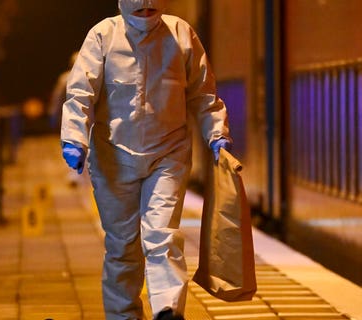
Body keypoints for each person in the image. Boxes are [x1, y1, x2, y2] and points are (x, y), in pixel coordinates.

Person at [60, 1, 232, 319]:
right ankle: (123, 314)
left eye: (151, 7)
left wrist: (216, 133)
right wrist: (74, 138)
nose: (145, 10)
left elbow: (203, 93)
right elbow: (81, 92)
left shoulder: (181, 35)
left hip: (168, 153)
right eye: (138, 8)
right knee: (122, 244)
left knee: (162, 235)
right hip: (114, 156)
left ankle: (167, 310)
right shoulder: (102, 36)